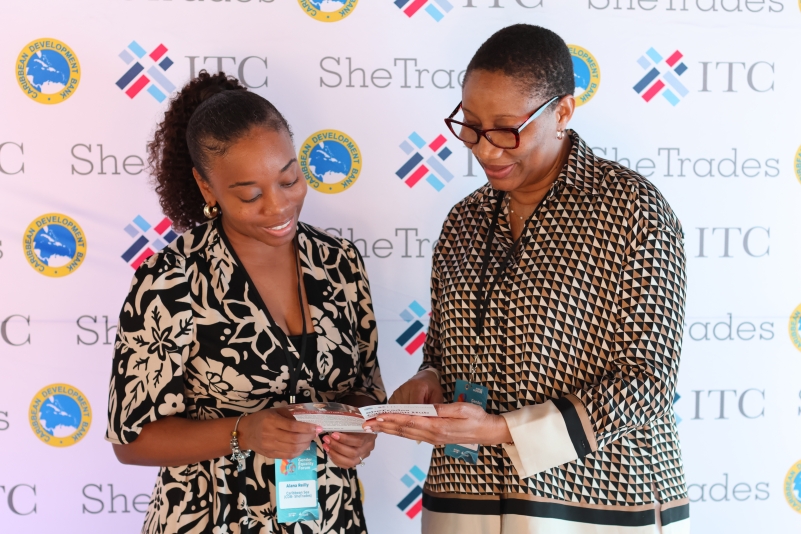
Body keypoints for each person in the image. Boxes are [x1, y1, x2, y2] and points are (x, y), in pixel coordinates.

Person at [367, 25, 689, 534]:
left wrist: (501, 431)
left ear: (562, 112)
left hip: (593, 503)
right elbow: (445, 347)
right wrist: (428, 381)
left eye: (505, 129)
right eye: (470, 126)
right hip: (463, 499)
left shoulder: (630, 210)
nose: (485, 149)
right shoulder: (465, 221)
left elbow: (647, 383)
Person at [106, 71, 385, 534]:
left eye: (289, 178)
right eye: (251, 194)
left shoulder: (339, 263)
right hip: (213, 520)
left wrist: (358, 429)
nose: (278, 207)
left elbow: (365, 387)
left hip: (330, 518)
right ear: (206, 187)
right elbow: (131, 441)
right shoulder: (173, 280)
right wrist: (243, 432)